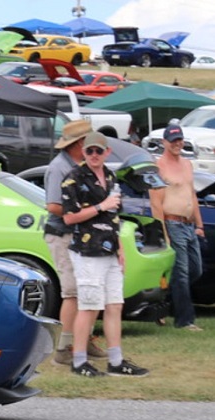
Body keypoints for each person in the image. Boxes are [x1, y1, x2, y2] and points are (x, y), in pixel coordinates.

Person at [61, 132, 149, 377]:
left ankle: (116, 360)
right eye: (89, 151)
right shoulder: (73, 179)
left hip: (110, 250)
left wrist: (120, 248)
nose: (94, 155)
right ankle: (78, 361)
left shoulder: (110, 176)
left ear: (107, 152)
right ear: (84, 152)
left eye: (99, 151)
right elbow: (68, 217)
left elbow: (114, 217)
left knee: (114, 305)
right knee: (89, 306)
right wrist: (101, 206)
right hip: (88, 252)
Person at [44, 119, 106, 366]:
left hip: (80, 233)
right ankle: (63, 348)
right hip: (63, 234)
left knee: (88, 289)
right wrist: (87, 211)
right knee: (71, 292)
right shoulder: (58, 167)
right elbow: (52, 206)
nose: (92, 148)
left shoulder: (79, 165)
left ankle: (84, 339)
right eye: (88, 143)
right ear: (79, 143)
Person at [151, 123, 205, 331]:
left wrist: (199, 224)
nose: (177, 143)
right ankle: (185, 321)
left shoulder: (187, 164)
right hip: (172, 223)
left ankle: (162, 303)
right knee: (181, 272)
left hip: (189, 225)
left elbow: (192, 195)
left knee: (196, 269)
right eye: (173, 140)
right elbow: (156, 203)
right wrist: (163, 233)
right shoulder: (159, 167)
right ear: (165, 142)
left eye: (180, 139)